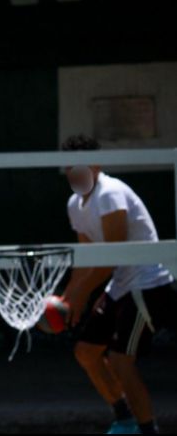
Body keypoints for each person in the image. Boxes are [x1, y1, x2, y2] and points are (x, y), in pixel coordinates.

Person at [61, 134, 174, 435]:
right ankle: (124, 418)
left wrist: (84, 293)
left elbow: (113, 255)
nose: (74, 172)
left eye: (80, 166)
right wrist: (68, 298)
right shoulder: (75, 203)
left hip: (148, 285)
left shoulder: (111, 193)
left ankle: (148, 429)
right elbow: (87, 257)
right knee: (86, 352)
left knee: (120, 359)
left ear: (96, 165)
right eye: (68, 167)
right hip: (122, 284)